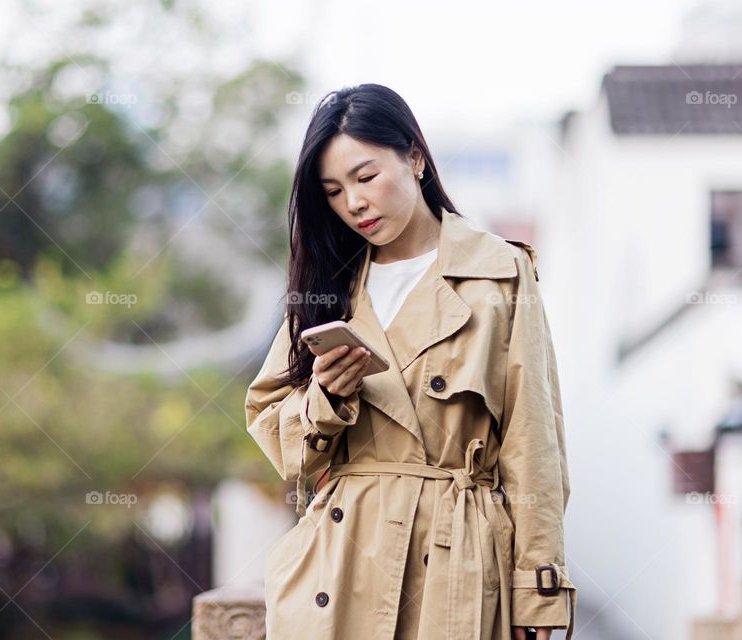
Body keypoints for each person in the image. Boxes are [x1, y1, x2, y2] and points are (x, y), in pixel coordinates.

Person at [245, 83, 576, 640]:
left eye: (365, 176)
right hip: (339, 565)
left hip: (457, 564)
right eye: (332, 190)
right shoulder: (330, 285)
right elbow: (277, 436)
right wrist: (325, 399)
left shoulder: (499, 273)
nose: (352, 203)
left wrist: (536, 595)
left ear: (416, 158)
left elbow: (534, 444)